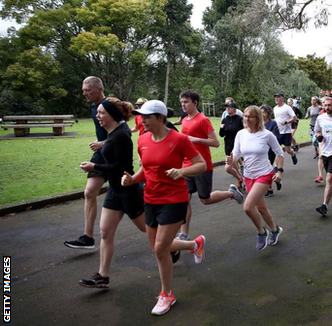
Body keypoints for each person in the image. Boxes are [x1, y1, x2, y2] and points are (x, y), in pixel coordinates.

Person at [121, 100, 207, 316]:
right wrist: (132, 180)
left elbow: (201, 164)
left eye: (146, 117)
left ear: (160, 118)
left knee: (160, 249)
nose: (142, 120)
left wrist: (182, 172)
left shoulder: (178, 139)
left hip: (174, 199)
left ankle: (166, 294)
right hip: (150, 199)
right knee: (157, 247)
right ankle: (194, 244)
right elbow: (145, 168)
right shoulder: (142, 140)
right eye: (141, 117)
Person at [78, 97, 146, 288]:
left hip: (129, 191)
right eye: (98, 112)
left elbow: (121, 167)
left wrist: (94, 166)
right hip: (114, 192)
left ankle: (178, 246)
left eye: (101, 113)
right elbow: (111, 151)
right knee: (105, 233)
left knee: (147, 230)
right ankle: (102, 276)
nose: (98, 116)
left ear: (112, 115)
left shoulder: (121, 135)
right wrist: (102, 146)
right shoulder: (112, 133)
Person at [178, 90, 244, 241]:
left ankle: (231, 193)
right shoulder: (185, 120)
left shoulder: (203, 120)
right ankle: (184, 234)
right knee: (184, 199)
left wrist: (196, 139)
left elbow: (215, 142)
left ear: (195, 103)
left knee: (205, 200)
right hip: (188, 165)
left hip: (202, 165)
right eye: (181, 102)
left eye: (186, 102)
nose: (183, 105)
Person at [65, 76, 116, 249]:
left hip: (115, 156)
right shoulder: (93, 106)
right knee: (89, 192)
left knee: (132, 205)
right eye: (83, 90)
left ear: (99, 89)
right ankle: (87, 236)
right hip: (101, 156)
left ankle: (166, 238)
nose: (84, 93)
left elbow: (123, 131)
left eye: (87, 90)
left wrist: (103, 143)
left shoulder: (111, 106)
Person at [227, 106, 285, 250]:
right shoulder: (241, 134)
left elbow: (279, 153)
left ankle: (261, 232)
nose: (247, 119)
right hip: (249, 175)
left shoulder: (267, 135)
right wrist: (230, 161)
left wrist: (279, 171)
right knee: (262, 208)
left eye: (250, 116)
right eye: (245, 116)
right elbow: (236, 153)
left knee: (248, 207)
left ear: (257, 118)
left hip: (264, 174)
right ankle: (275, 229)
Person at [219, 101, 245, 189]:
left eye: (229, 107)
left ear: (234, 109)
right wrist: (221, 128)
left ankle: (242, 178)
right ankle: (239, 178)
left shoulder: (239, 119)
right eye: (226, 107)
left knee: (230, 165)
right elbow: (221, 134)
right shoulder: (225, 119)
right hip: (228, 144)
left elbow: (245, 131)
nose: (227, 109)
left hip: (238, 144)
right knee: (230, 166)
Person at [259, 105, 282, 197]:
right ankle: (276, 179)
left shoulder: (273, 124)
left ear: (268, 113)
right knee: (264, 169)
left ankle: (270, 189)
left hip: (270, 150)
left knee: (266, 169)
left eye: (264, 112)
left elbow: (276, 137)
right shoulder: (259, 124)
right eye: (260, 112)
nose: (262, 114)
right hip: (261, 150)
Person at [273, 92, 298, 165]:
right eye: (275, 97)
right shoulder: (275, 108)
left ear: (282, 98)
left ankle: (293, 154)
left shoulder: (287, 108)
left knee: (288, 150)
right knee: (276, 150)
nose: (276, 99)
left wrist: (286, 122)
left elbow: (294, 118)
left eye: (278, 97)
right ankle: (276, 167)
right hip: (277, 132)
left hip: (286, 132)